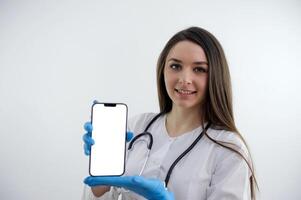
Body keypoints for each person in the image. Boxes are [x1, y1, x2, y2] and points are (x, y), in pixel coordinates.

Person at [82, 26, 258, 200]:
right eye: (175, 66)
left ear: (215, 76)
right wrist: (100, 176)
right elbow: (100, 196)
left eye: (199, 69)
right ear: (162, 70)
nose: (184, 80)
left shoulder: (229, 149)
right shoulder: (137, 126)